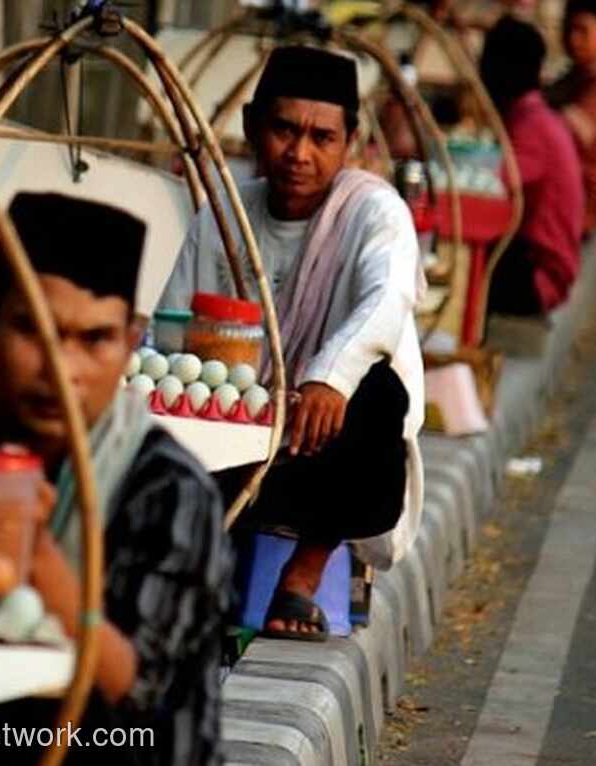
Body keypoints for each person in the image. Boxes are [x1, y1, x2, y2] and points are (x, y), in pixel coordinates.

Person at [0, 192, 231, 766]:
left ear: (128, 346)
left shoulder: (169, 491)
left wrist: (33, 550)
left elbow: (136, 688)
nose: (62, 369)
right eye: (34, 330)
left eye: (95, 339)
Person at [159, 46, 425, 641]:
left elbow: (388, 299)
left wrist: (330, 376)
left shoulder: (374, 212)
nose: (299, 153)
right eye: (284, 130)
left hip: (325, 454)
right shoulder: (226, 212)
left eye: (321, 137)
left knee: (381, 391)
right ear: (253, 126)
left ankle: (302, 577)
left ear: (349, 142)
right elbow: (175, 326)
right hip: (235, 445)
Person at [480, 17, 584, 316]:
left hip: (540, 276)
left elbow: (489, 186)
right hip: (534, 264)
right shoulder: (533, 116)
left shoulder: (532, 125)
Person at [546, 0, 596, 236]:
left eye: (582, 31)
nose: (573, 39)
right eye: (570, 29)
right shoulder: (574, 78)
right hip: (559, 196)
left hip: (584, 209)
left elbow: (575, 132)